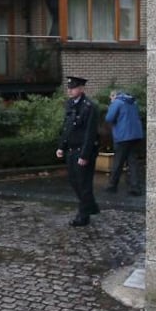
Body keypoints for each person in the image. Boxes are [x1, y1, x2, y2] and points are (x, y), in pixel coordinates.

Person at [55, 76, 100, 227]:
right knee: (74, 182)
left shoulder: (89, 106)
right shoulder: (70, 104)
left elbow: (90, 132)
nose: (70, 90)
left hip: (83, 151)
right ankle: (90, 207)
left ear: (81, 89)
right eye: (69, 88)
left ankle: (83, 216)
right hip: (71, 150)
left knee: (84, 184)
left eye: (73, 88)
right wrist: (61, 146)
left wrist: (85, 155)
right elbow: (67, 127)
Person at [104, 90, 144, 195]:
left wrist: (111, 107)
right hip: (135, 135)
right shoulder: (133, 102)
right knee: (133, 162)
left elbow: (109, 118)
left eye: (111, 98)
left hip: (122, 136)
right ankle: (135, 187)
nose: (111, 100)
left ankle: (112, 185)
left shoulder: (117, 102)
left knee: (118, 162)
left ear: (114, 96)